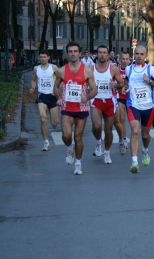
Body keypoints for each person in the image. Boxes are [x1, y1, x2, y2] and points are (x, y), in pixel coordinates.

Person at [53, 41, 98, 175]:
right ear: (67, 54)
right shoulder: (61, 71)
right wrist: (59, 98)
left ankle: (78, 163)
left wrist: (87, 97)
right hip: (67, 107)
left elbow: (94, 89)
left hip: (82, 108)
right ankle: (68, 147)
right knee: (67, 135)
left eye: (75, 51)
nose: (73, 54)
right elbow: (55, 87)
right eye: (70, 51)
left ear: (80, 53)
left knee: (78, 137)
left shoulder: (86, 70)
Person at [125, 45, 154, 173]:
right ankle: (134, 162)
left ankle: (145, 150)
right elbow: (126, 83)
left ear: (146, 56)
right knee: (135, 131)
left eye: (142, 54)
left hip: (148, 106)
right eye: (137, 54)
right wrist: (124, 88)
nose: (139, 56)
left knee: (145, 135)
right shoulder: (128, 69)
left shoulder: (151, 70)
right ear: (133, 54)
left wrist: (150, 82)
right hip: (133, 105)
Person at [90, 45, 125, 164]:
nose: (102, 55)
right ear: (96, 54)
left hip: (110, 100)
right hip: (96, 100)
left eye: (104, 52)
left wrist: (116, 85)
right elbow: (83, 83)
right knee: (97, 126)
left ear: (108, 55)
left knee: (109, 129)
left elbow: (122, 83)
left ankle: (107, 152)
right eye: (100, 52)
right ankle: (99, 142)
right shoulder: (90, 69)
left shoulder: (113, 69)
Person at [30, 50, 59, 151]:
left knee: (54, 123)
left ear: (48, 58)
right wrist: (33, 88)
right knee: (43, 119)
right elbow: (34, 80)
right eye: (41, 57)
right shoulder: (36, 69)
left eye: (44, 57)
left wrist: (57, 90)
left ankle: (55, 121)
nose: (42, 59)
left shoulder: (53, 67)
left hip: (52, 96)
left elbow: (62, 79)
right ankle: (46, 142)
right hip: (42, 95)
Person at [114, 51, 130, 155]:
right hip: (120, 97)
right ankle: (124, 139)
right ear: (119, 60)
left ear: (129, 60)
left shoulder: (131, 70)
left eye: (126, 59)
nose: (124, 61)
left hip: (130, 97)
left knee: (132, 120)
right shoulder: (116, 70)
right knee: (122, 118)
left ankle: (133, 137)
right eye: (122, 59)